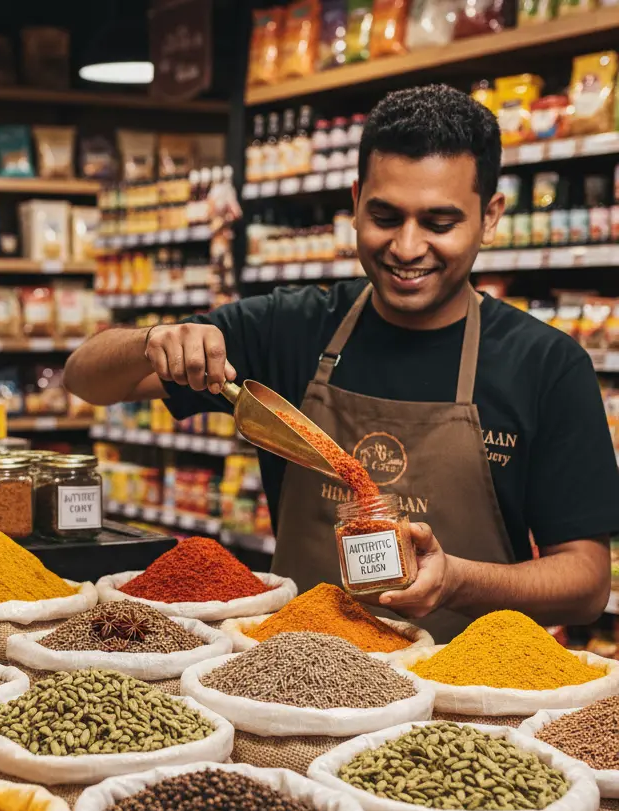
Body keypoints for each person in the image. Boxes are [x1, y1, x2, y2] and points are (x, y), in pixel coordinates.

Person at [65, 84, 619, 641]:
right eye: (385, 215)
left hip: (466, 685)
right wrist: (152, 340)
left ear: (490, 217)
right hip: (294, 674)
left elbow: (587, 582)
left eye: (439, 223)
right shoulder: (287, 327)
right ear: (355, 203)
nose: (407, 247)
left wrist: (457, 580)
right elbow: (86, 379)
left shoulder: (547, 365)